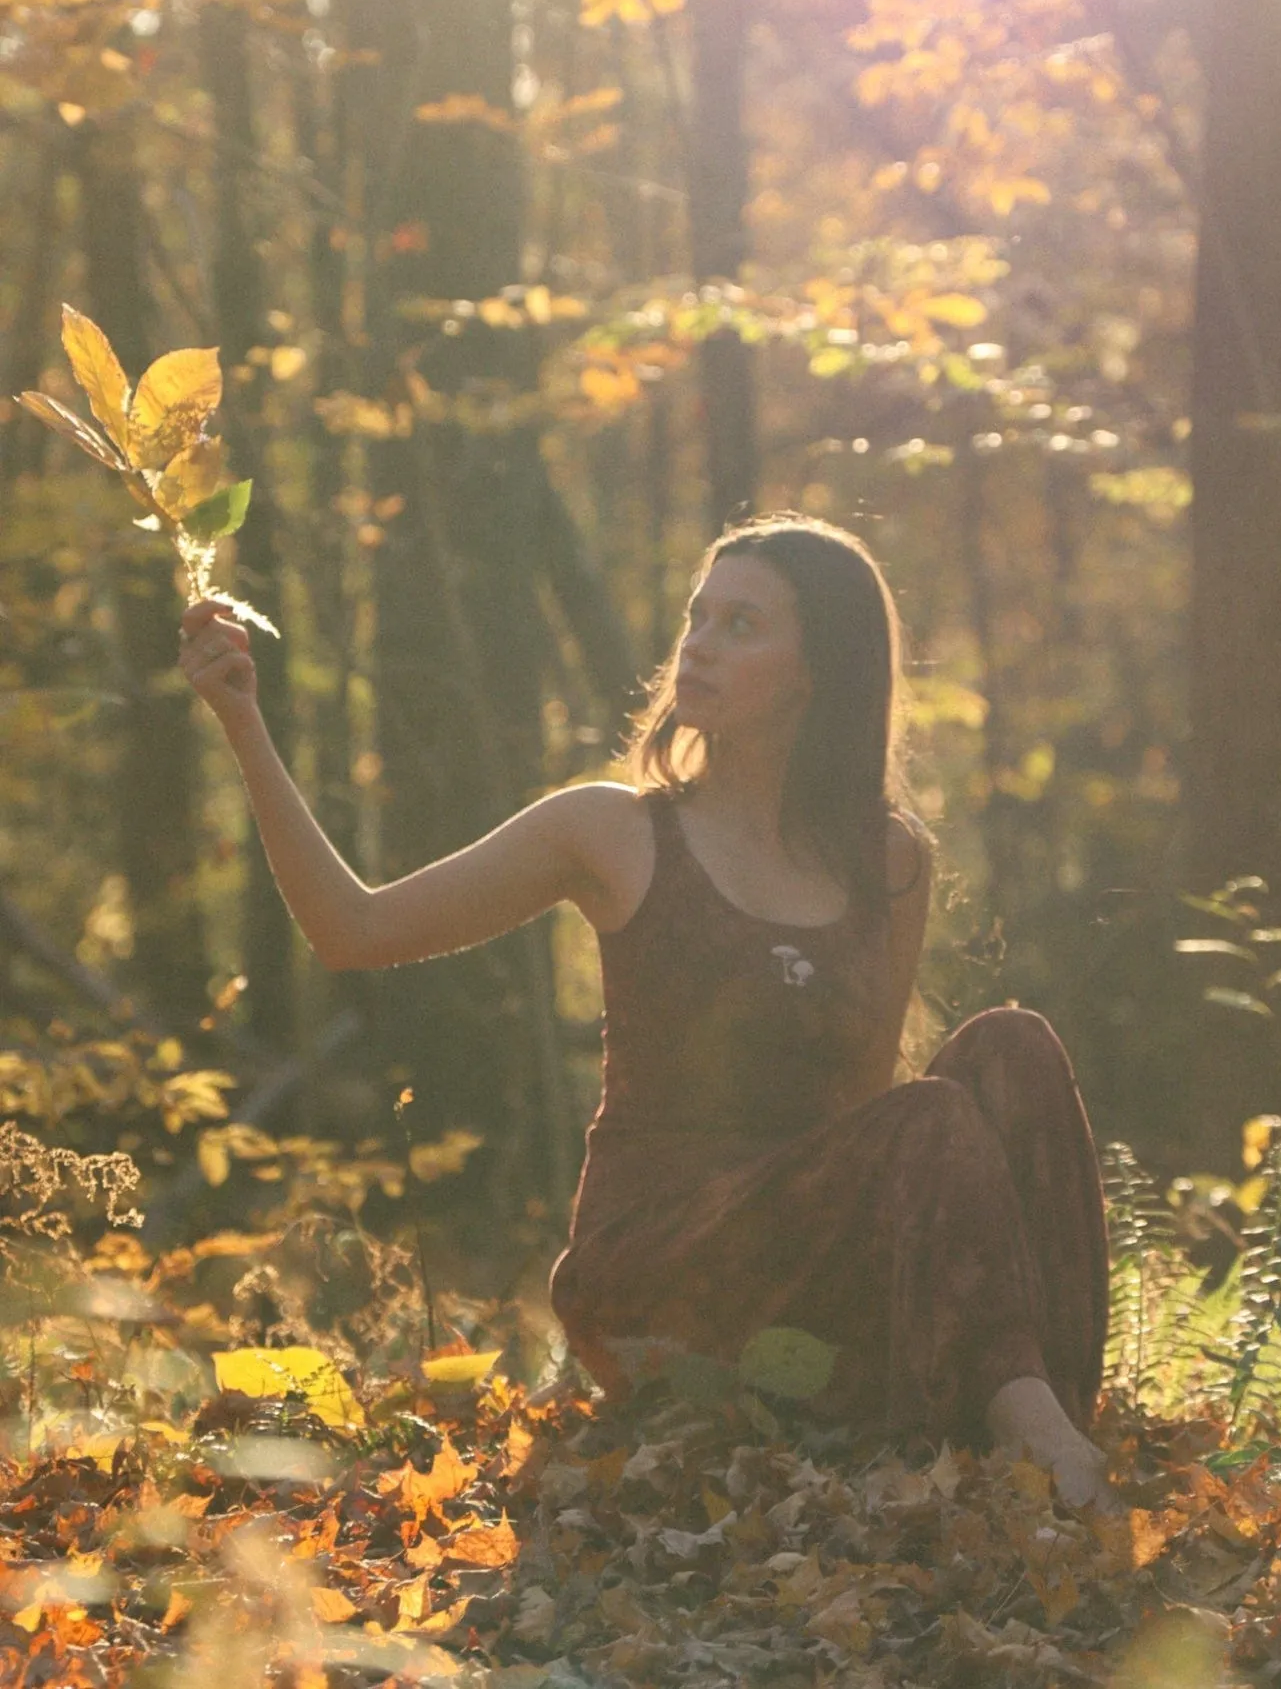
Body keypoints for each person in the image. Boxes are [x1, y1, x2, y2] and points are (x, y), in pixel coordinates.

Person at [179, 512, 1113, 1509]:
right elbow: (351, 930)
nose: (699, 646)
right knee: (929, 1115)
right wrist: (243, 721)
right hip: (659, 1272)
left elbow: (859, 1107)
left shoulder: (887, 859)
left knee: (1013, 1048)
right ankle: (1042, 1443)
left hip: (801, 1268)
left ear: (817, 670)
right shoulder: (614, 832)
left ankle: (1044, 1429)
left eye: (743, 625)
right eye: (697, 617)